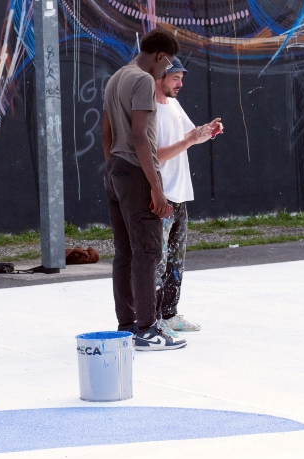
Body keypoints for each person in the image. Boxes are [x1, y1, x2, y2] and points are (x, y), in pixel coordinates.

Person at [100, 29, 186, 351]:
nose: (166, 73)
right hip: (136, 172)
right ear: (162, 57)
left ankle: (127, 325)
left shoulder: (115, 79)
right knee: (148, 252)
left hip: (116, 171)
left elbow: (105, 133)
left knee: (125, 252)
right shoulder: (144, 81)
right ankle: (147, 330)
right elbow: (140, 137)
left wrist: (113, 169)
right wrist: (156, 188)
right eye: (168, 67)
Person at [153, 58, 223, 337]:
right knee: (157, 261)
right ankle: (153, 319)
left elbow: (188, 137)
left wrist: (205, 132)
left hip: (180, 196)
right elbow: (155, 155)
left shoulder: (174, 105)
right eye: (175, 78)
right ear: (160, 78)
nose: (181, 84)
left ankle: (169, 315)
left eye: (181, 78)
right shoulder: (149, 110)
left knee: (176, 260)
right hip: (162, 197)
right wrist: (189, 140)